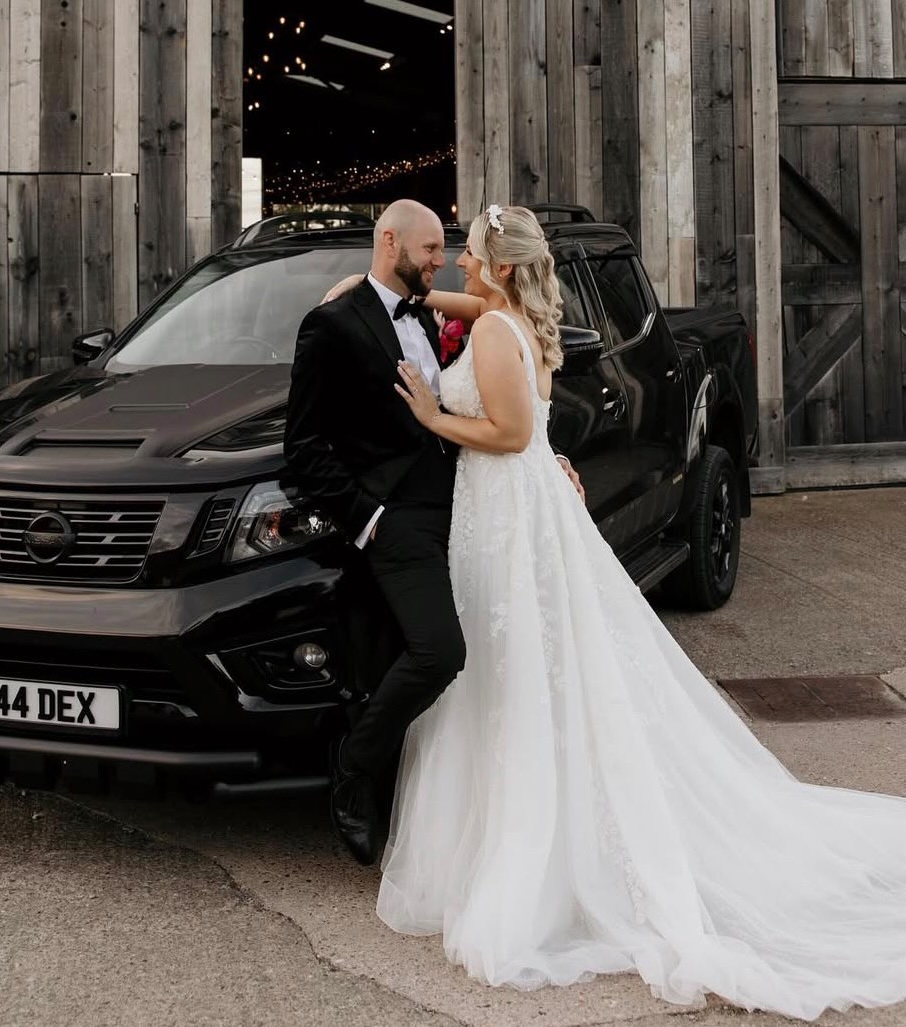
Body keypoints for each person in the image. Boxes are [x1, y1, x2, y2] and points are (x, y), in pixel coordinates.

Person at [379, 203, 906, 1020]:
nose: (457, 264)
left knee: (513, 662)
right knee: (528, 662)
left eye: (471, 254)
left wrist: (430, 415)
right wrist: (381, 290)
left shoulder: (492, 331)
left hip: (506, 506)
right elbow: (464, 313)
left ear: (502, 266)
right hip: (521, 506)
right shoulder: (507, 315)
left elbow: (512, 433)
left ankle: (534, 854)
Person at [283, 198, 580, 867]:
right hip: (400, 520)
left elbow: (509, 407)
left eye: (454, 250)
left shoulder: (439, 311)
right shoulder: (331, 326)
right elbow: (301, 449)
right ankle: (354, 768)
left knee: (505, 660)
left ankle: (482, 815)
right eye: (430, 252)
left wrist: (545, 456)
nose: (444, 260)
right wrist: (367, 518)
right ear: (390, 242)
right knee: (442, 652)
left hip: (476, 507)